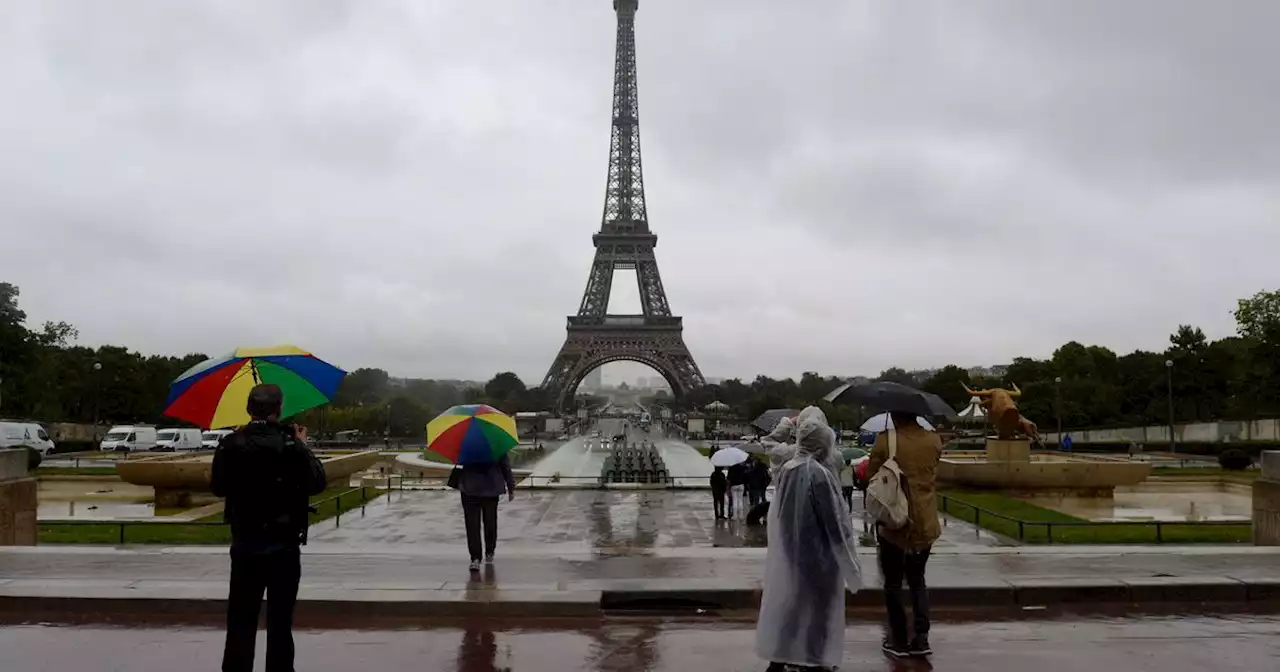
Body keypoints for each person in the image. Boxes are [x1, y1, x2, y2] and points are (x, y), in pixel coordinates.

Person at [211, 384, 328, 672]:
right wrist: (302, 445)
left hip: (245, 543)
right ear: (279, 409)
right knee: (280, 622)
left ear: (249, 410)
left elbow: (218, 487)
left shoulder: (230, 444)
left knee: (240, 620)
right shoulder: (290, 445)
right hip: (283, 544)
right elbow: (317, 483)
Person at [756, 406, 862, 671]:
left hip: (793, 551)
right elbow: (835, 523)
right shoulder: (821, 473)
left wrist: (785, 425)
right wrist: (850, 564)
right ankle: (816, 659)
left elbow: (779, 515)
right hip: (820, 556)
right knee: (821, 610)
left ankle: (780, 659)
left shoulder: (789, 467)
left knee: (792, 605)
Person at [867, 410, 943, 659]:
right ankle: (921, 638)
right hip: (925, 521)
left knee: (893, 583)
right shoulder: (934, 440)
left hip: (895, 523)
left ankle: (898, 639)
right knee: (918, 580)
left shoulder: (885, 440)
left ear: (896, 416)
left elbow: (873, 476)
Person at [458, 453, 516, 572]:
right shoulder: (495, 444)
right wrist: (510, 487)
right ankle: (488, 551)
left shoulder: (466, 445)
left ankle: (476, 558)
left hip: (471, 488)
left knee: (472, 525)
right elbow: (505, 466)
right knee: (489, 521)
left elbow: (459, 462)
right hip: (489, 488)